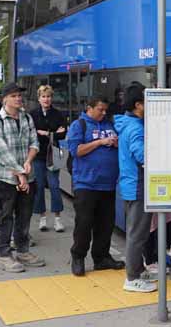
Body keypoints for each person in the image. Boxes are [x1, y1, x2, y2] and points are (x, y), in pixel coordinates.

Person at [0, 82, 44, 273]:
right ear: (4, 99)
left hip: (28, 176)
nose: (18, 98)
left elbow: (34, 142)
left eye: (20, 95)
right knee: (5, 217)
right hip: (6, 179)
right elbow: (2, 151)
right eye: (14, 96)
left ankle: (23, 251)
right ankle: (4, 256)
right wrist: (20, 173)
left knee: (25, 215)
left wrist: (29, 161)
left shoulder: (27, 117)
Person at [67, 96, 124, 276]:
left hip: (108, 185)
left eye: (106, 110)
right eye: (100, 109)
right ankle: (78, 257)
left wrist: (116, 144)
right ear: (89, 108)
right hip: (86, 184)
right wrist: (100, 142)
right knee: (84, 224)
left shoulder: (110, 125)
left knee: (105, 224)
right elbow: (76, 151)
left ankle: (101, 258)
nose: (104, 113)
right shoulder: (79, 125)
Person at [115, 85, 157, 293]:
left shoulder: (128, 124)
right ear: (138, 105)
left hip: (131, 185)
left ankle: (138, 269)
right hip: (138, 186)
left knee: (136, 232)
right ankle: (132, 278)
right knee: (137, 234)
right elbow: (142, 157)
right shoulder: (136, 129)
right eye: (147, 100)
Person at [29, 85, 67, 233]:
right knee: (38, 187)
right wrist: (53, 132)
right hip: (37, 154)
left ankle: (57, 218)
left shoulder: (58, 114)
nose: (46, 99)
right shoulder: (32, 114)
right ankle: (42, 217)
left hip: (53, 153)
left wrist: (44, 133)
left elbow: (63, 134)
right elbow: (32, 133)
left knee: (54, 185)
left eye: (49, 96)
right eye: (44, 96)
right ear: (39, 98)